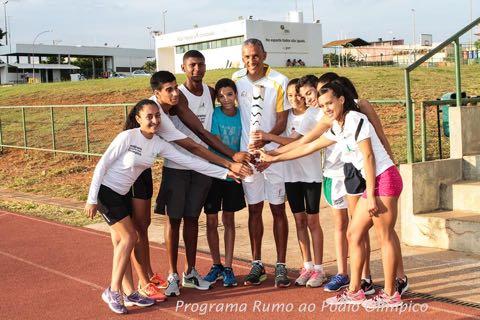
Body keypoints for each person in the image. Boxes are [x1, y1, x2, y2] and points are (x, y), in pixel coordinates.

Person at [84, 99, 240, 314]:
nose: (155, 120)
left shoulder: (158, 143)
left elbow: (190, 161)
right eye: (149, 116)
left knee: (123, 241)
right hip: (105, 193)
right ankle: (113, 290)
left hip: (121, 196)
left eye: (157, 116)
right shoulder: (127, 137)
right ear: (138, 118)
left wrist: (225, 172)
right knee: (130, 238)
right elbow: (102, 165)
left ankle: (129, 293)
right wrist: (92, 199)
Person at [258, 81, 404, 309]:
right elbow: (307, 147)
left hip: (384, 179)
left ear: (341, 100)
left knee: (383, 236)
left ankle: (390, 294)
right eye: (323, 104)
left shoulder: (356, 119)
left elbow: (368, 157)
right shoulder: (338, 126)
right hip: (373, 184)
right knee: (353, 235)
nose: (326, 108)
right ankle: (355, 291)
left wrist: (373, 196)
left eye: (330, 103)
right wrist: (273, 158)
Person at [127, 69, 251, 299]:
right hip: (135, 173)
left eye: (176, 88)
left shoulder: (184, 100)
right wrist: (228, 162)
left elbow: (200, 132)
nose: (176, 93)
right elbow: (192, 146)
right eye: (169, 90)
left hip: (176, 167)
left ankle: (186, 273)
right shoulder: (155, 115)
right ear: (157, 92)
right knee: (134, 231)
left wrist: (229, 161)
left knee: (188, 218)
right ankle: (147, 280)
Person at [251, 78, 325, 287]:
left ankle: (319, 269)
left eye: (299, 95)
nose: (295, 99)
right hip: (291, 175)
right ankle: (308, 266)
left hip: (311, 175)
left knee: (312, 222)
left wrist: (267, 138)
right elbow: (285, 145)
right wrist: (269, 158)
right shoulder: (287, 116)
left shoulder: (312, 115)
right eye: (290, 96)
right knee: (299, 221)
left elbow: (294, 142)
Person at [232, 38, 291, 288]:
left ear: (264, 55)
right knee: (254, 210)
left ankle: (280, 265)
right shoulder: (236, 79)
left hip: (273, 158)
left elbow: (281, 121)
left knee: (278, 209)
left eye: (255, 56)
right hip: (249, 160)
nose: (251, 61)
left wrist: (264, 149)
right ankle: (257, 263)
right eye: (246, 56)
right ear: (242, 58)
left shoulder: (279, 80)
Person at [202, 78, 246, 287]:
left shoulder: (242, 115)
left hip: (234, 175)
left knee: (229, 220)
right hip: (215, 172)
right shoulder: (215, 115)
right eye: (221, 96)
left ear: (235, 94)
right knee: (212, 221)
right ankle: (216, 264)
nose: (225, 99)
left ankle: (228, 266)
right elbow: (216, 142)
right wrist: (230, 163)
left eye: (229, 94)